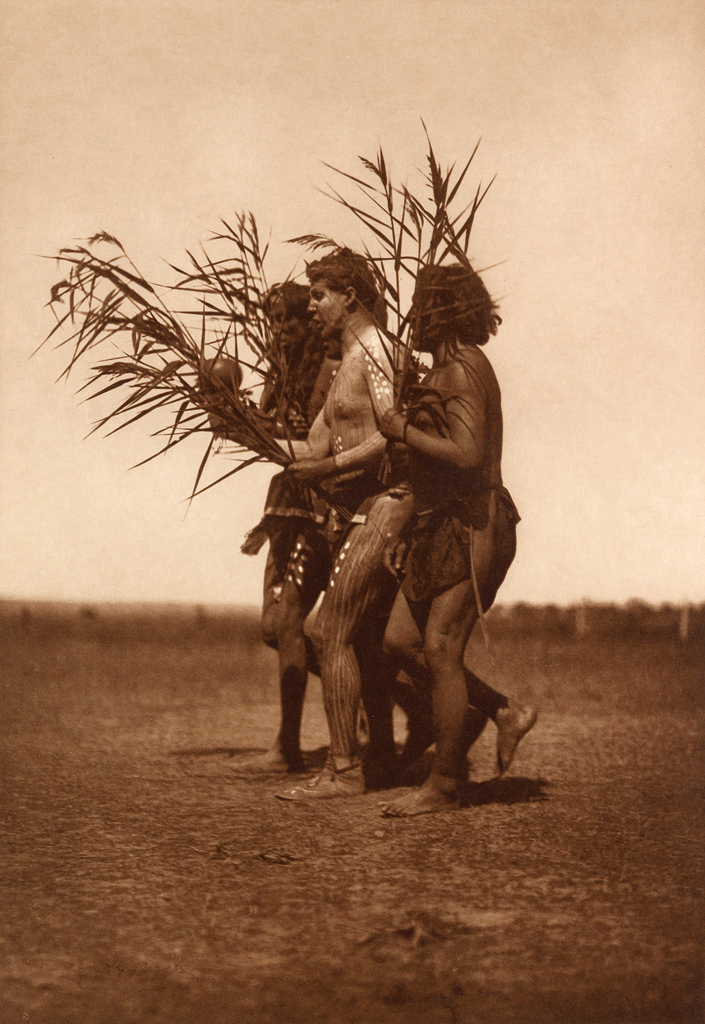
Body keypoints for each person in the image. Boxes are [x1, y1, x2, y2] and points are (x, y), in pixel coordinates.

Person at [377, 263, 537, 817]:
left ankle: (442, 786)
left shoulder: (464, 369)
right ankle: (500, 709)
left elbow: (468, 456)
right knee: (401, 641)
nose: (410, 317)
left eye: (420, 307)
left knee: (442, 647)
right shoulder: (442, 370)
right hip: (440, 521)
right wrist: (409, 522)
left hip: (475, 522)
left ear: (440, 311)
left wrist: (402, 431)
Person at [275, 249, 415, 800]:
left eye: (319, 295)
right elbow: (308, 445)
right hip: (365, 509)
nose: (312, 307)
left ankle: (345, 768)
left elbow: (392, 433)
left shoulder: (375, 352)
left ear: (350, 296)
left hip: (388, 505)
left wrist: (329, 467)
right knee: (349, 637)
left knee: (326, 631)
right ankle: (367, 759)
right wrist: (233, 425)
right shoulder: (348, 361)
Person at [218, 282, 339, 774]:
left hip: (318, 506)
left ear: (309, 320)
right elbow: (269, 429)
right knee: (273, 628)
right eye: (272, 321)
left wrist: (250, 423)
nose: (279, 329)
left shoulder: (331, 370)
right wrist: (229, 413)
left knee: (288, 621)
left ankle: (288, 746)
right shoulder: (280, 372)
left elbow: (312, 444)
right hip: (287, 505)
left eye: (287, 319)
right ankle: (390, 692)